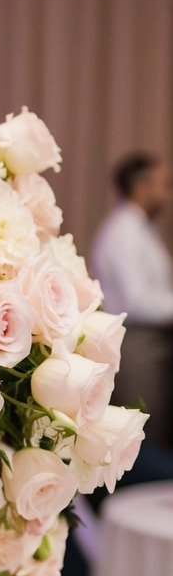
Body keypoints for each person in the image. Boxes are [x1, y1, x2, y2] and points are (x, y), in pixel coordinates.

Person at [91, 153, 173, 448]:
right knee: (140, 433)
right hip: (135, 344)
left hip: (150, 343)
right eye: (164, 184)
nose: (167, 193)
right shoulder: (123, 232)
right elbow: (135, 302)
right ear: (141, 186)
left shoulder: (141, 230)